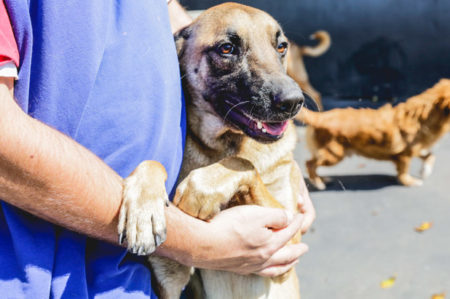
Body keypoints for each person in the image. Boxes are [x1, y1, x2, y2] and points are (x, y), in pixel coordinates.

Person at [0, 0, 316, 298]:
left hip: (127, 280)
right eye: (227, 49)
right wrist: (198, 244)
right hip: (40, 273)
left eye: (279, 47)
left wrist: (275, 165)